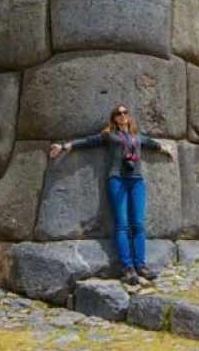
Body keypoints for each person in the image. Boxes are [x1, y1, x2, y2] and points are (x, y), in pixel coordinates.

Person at [49, 103, 173, 285]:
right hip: (117, 180)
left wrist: (166, 150)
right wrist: (63, 146)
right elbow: (88, 141)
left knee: (138, 224)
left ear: (129, 116)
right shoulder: (110, 135)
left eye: (125, 112)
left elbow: (151, 144)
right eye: (118, 113)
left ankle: (141, 265)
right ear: (114, 118)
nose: (123, 115)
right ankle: (128, 268)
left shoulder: (136, 136)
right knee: (121, 224)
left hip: (137, 181)